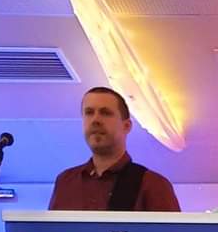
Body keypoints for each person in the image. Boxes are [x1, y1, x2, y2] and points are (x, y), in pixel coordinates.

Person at [49, 87, 181, 212]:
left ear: (127, 126)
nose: (95, 120)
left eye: (105, 113)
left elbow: (169, 230)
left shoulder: (153, 184)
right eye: (89, 112)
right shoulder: (65, 182)